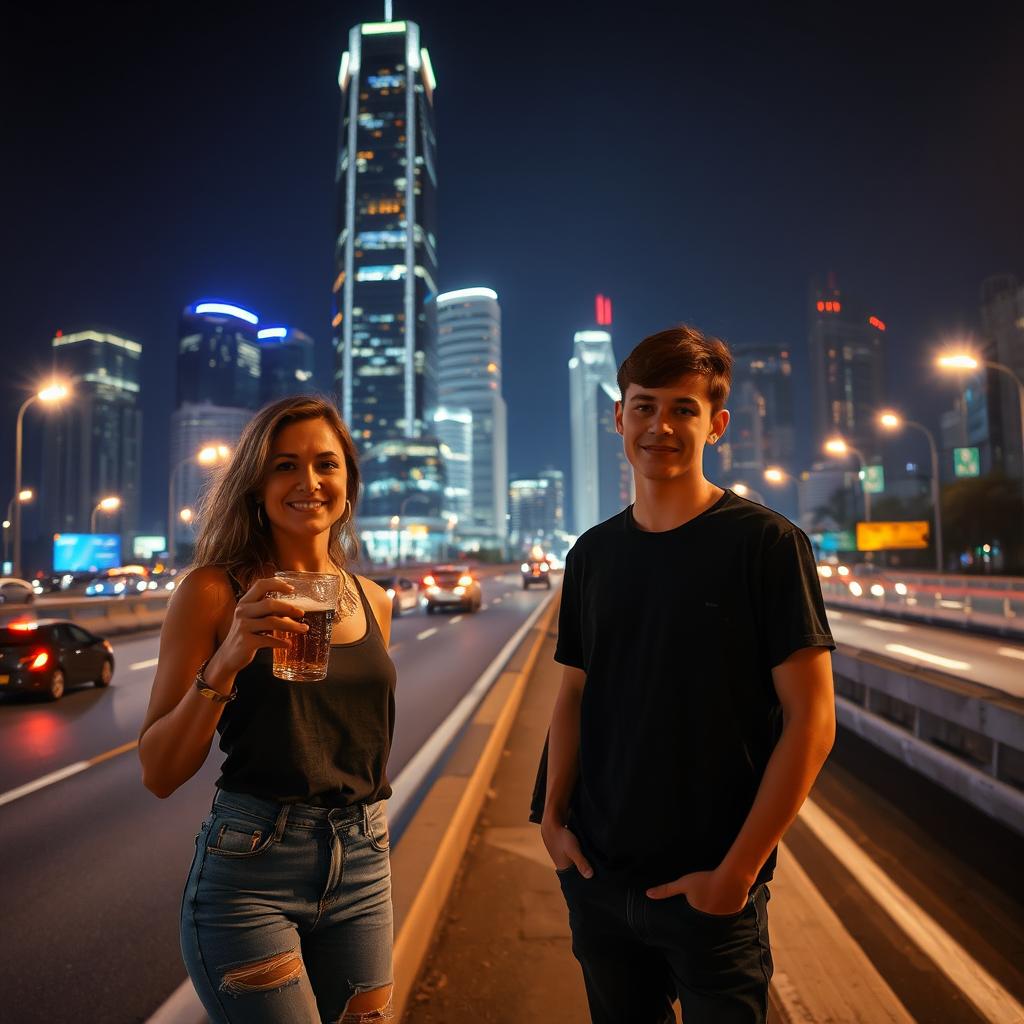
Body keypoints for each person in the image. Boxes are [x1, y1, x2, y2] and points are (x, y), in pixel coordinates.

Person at [535, 326, 836, 1023]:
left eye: (683, 408)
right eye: (643, 406)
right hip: (599, 879)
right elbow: (574, 693)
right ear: (618, 416)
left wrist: (736, 874)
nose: (660, 426)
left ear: (717, 424)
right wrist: (552, 821)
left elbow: (812, 722)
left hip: (711, 886)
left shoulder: (766, 544)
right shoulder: (592, 554)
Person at [139, 395, 397, 1024]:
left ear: (347, 483)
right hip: (252, 867)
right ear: (256, 484)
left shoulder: (374, 600)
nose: (308, 482)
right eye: (286, 465)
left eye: (326, 465)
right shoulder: (212, 592)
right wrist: (228, 657)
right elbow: (159, 772)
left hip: (364, 861)